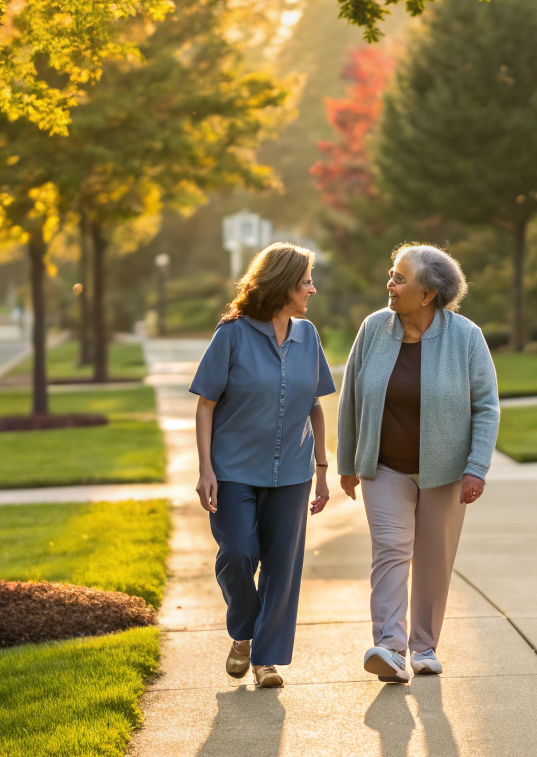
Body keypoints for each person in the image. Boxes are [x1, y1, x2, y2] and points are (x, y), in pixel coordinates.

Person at [337, 244, 499, 684]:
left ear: (427, 294)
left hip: (445, 470)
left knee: (433, 556)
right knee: (390, 550)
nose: (390, 285)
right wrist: (347, 461)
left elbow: (485, 406)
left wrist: (476, 466)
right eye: (391, 275)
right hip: (384, 465)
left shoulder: (465, 336)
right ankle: (390, 647)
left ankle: (424, 646)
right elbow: (350, 395)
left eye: (400, 279)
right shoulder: (374, 328)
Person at [190, 242, 335, 689]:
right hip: (234, 470)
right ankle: (243, 632)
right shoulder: (231, 335)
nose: (313, 288)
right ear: (283, 284)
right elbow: (205, 406)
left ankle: (264, 660)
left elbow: (314, 405)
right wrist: (205, 469)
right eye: (306, 280)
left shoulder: (307, 336)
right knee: (236, 554)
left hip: (293, 471)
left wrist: (323, 469)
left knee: (281, 567)